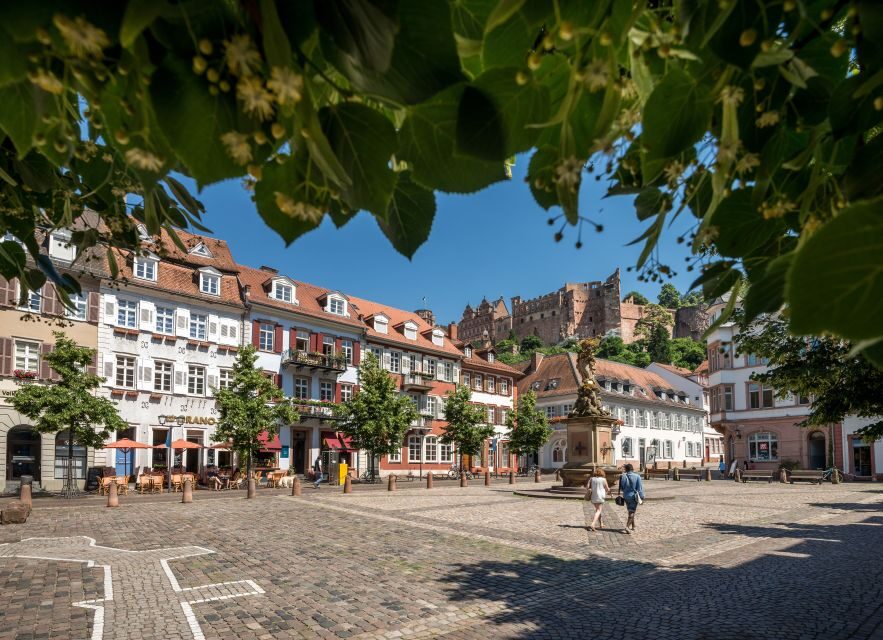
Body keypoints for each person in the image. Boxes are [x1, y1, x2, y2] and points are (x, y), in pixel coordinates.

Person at [618, 463, 645, 534]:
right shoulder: (637, 476)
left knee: (630, 510)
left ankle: (633, 526)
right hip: (633, 496)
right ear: (632, 469)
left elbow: (621, 488)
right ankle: (627, 527)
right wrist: (642, 496)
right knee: (632, 511)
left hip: (626, 496)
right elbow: (639, 488)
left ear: (626, 469)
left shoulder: (623, 476)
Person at [586, 467, 610, 532]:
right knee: (599, 510)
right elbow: (607, 489)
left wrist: (591, 488)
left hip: (593, 496)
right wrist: (609, 492)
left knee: (598, 510)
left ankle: (601, 523)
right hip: (600, 496)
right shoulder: (603, 479)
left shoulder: (591, 479)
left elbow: (587, 487)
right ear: (602, 473)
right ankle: (593, 524)